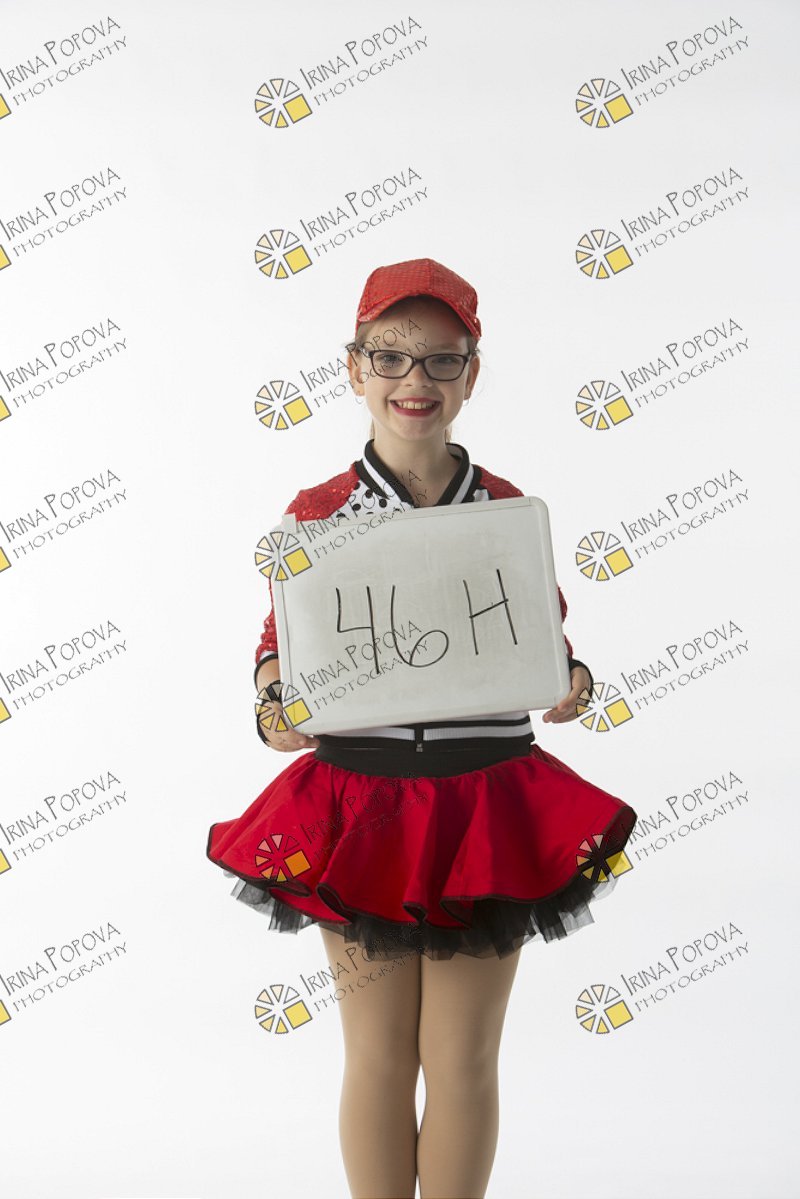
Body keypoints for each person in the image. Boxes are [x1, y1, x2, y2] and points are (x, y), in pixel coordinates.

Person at [206, 257, 637, 1199]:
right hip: (361, 802)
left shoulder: (506, 507)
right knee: (377, 1053)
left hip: (486, 798)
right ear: (354, 369)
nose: (416, 379)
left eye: (442, 360)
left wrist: (572, 681)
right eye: (391, 357)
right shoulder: (317, 511)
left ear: (471, 375)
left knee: (464, 1054)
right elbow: (280, 643)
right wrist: (273, 703)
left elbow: (544, 638)